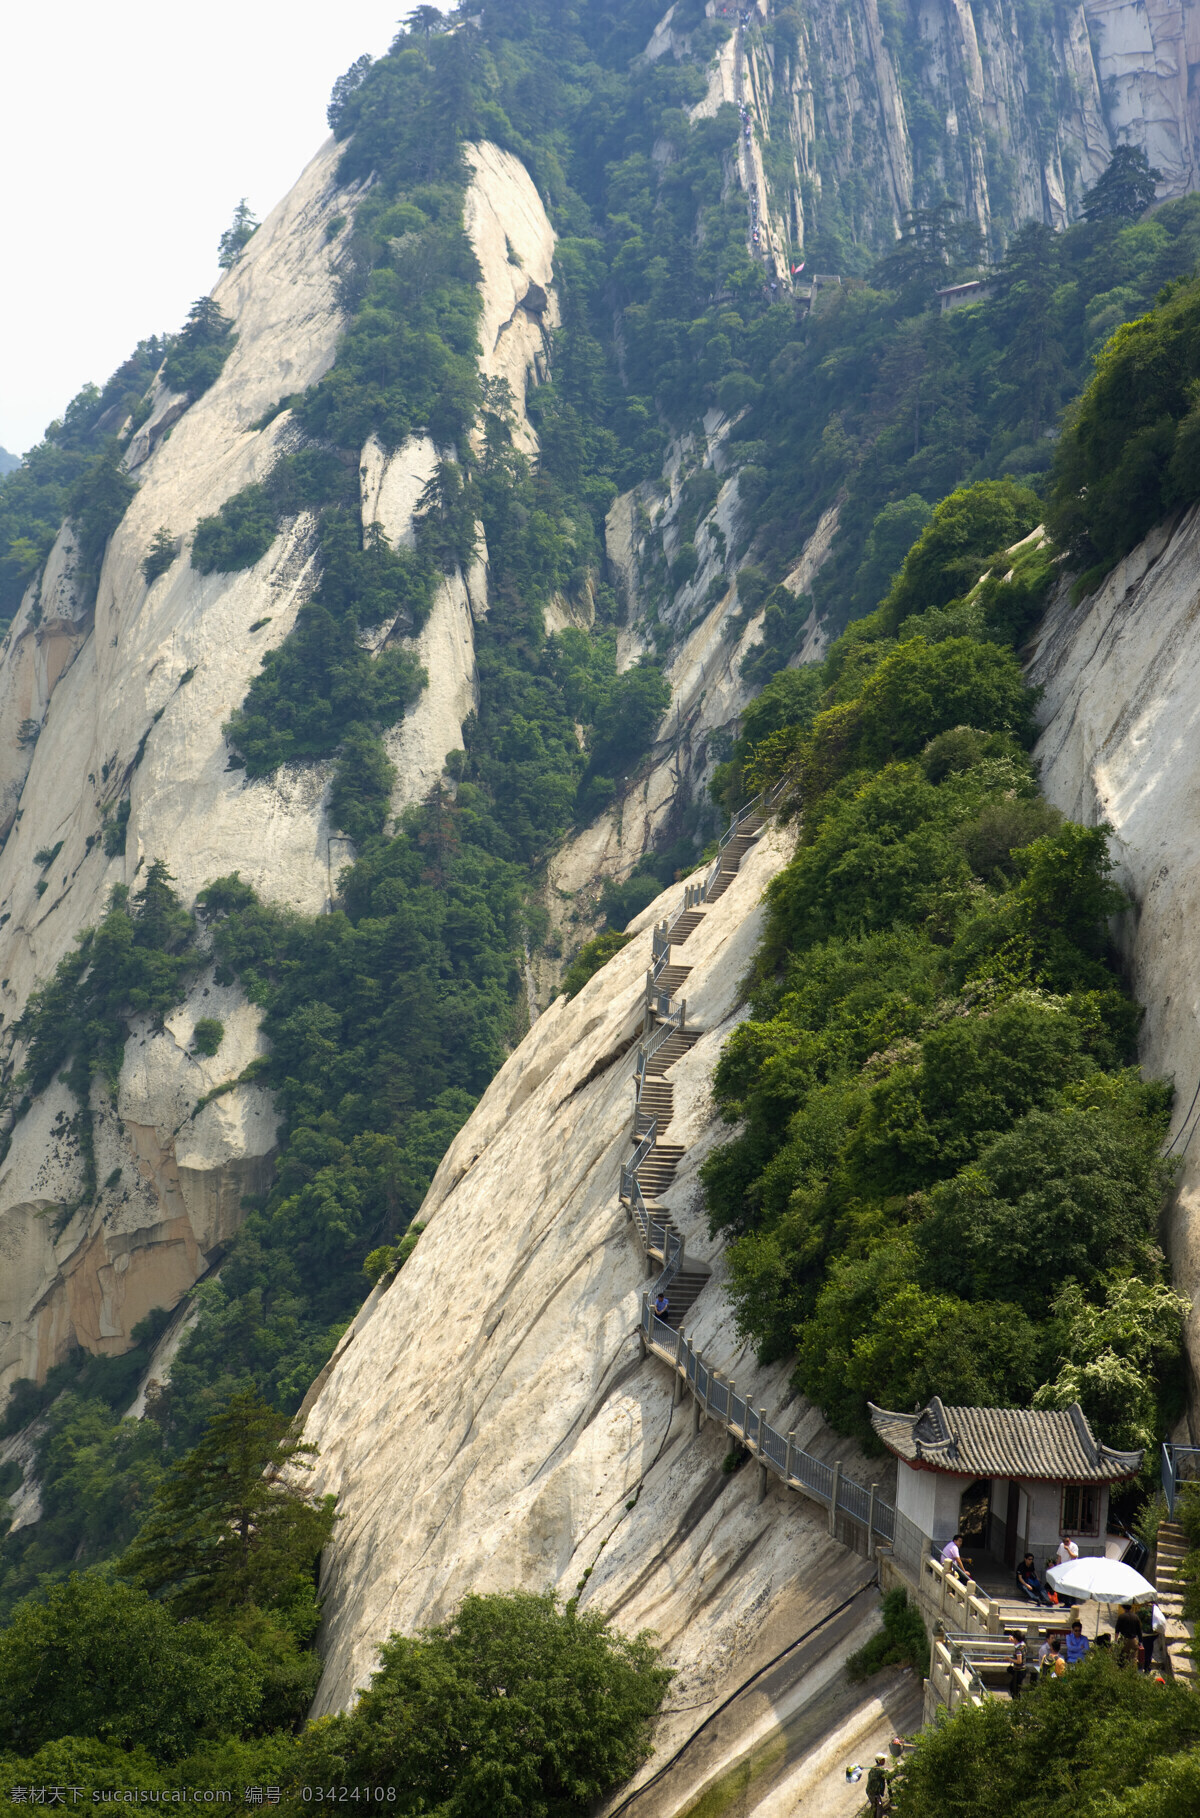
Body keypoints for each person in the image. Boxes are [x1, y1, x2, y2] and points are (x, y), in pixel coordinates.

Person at [1006, 1633, 1028, 1698]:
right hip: (1022, 1669)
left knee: (1014, 1688)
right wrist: (1013, 1640)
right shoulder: (1023, 1645)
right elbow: (1018, 1642)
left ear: (1016, 1639)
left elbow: (1019, 1661)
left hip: (1019, 1671)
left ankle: (1016, 1701)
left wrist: (1009, 1659)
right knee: (1016, 1688)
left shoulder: (1018, 1649)